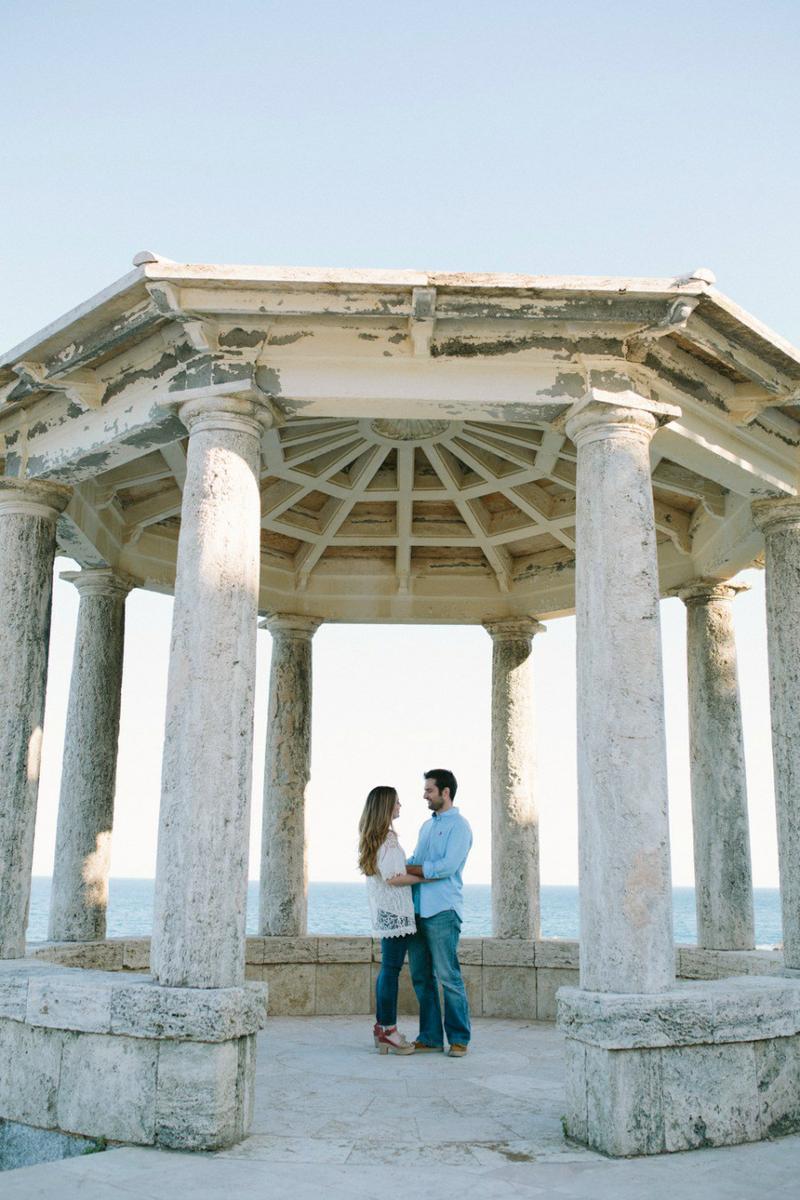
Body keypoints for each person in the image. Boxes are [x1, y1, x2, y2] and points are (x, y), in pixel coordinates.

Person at [357, 785, 429, 1055]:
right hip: (395, 913)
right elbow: (393, 877)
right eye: (397, 803)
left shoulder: (375, 837)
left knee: (388, 970)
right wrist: (425, 877)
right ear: (386, 807)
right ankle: (388, 1030)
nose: (401, 806)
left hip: (388, 912)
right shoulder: (387, 839)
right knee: (391, 971)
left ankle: (382, 1028)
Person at [406, 768, 473, 1058]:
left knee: (448, 976)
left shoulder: (460, 826)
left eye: (429, 790)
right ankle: (431, 1037)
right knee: (421, 976)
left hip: (443, 910)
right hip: (418, 909)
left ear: (445, 792)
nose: (424, 795)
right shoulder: (426, 826)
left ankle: (459, 1039)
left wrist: (411, 870)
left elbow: (445, 868)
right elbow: (416, 860)